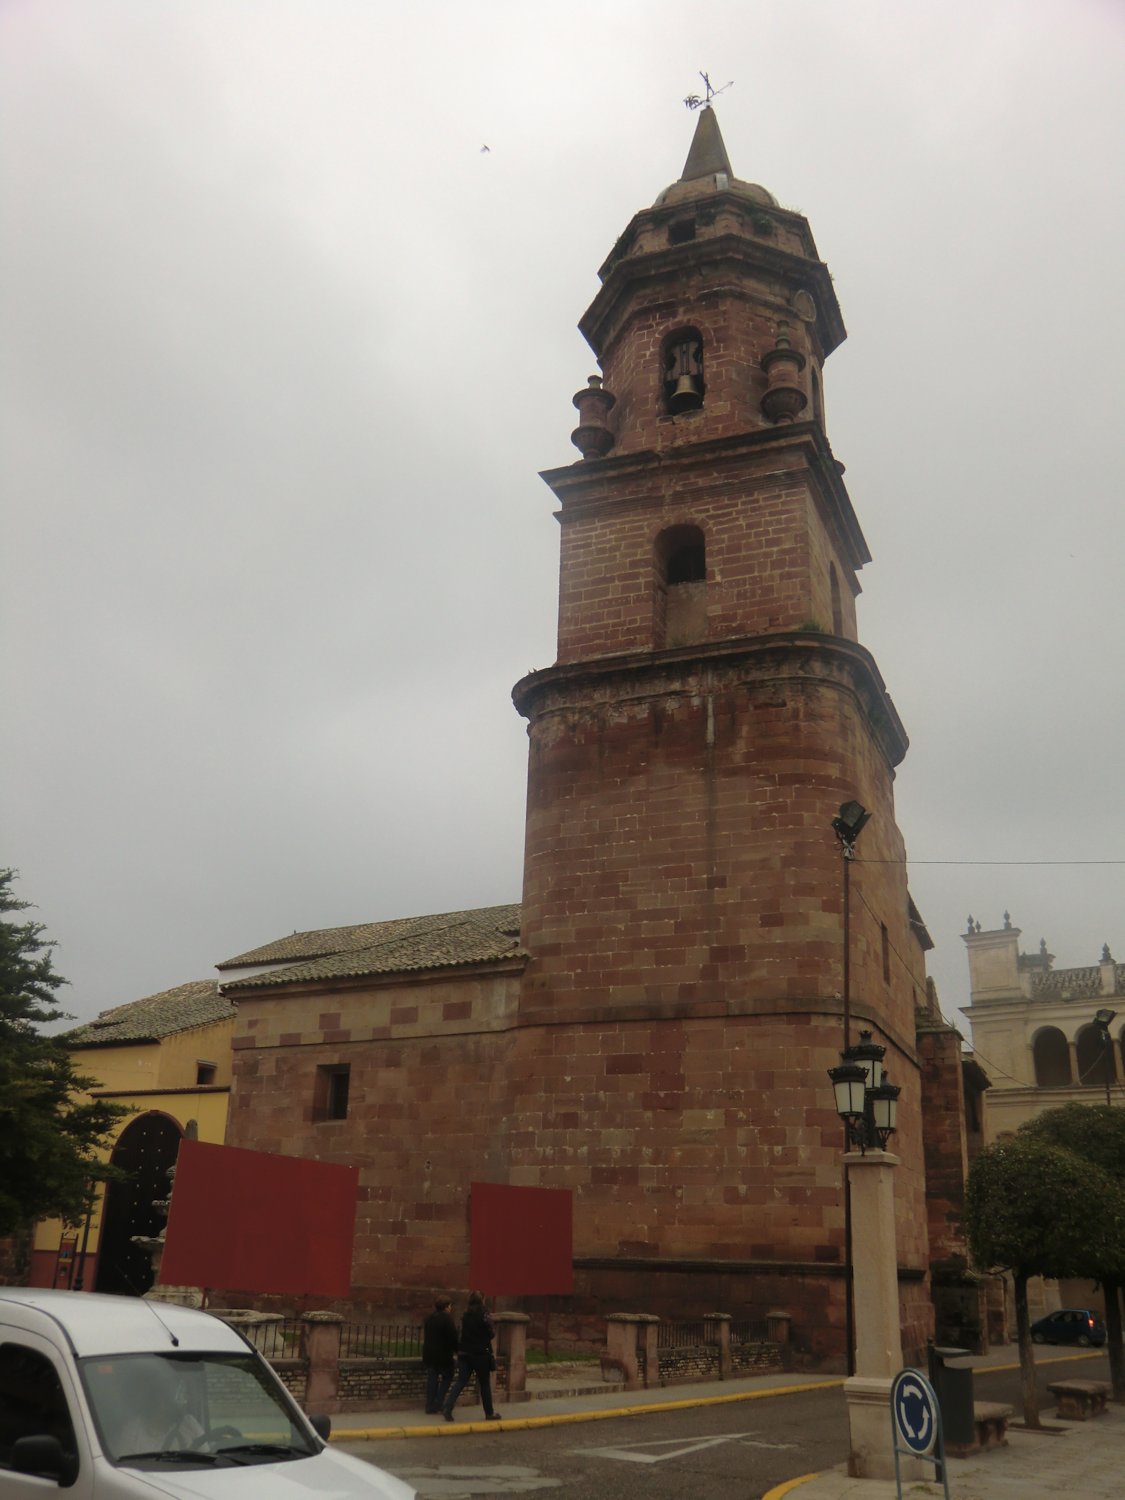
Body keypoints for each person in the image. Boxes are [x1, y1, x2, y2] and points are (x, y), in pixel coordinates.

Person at [441, 1289, 499, 1421]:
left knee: (460, 1381)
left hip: (465, 1353)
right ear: (482, 1300)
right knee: (484, 1384)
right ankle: (489, 1413)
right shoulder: (484, 1313)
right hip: (480, 1354)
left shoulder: (466, 1314)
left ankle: (447, 1407)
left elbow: (461, 1333)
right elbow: (492, 1332)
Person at [422, 1295, 459, 1414]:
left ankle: (429, 1404)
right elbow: (453, 1338)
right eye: (450, 1306)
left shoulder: (430, 1318)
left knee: (432, 1378)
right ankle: (438, 1401)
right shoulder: (447, 1319)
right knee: (447, 1376)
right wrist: (458, 1350)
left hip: (429, 1353)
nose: (450, 1308)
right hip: (443, 1355)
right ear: (446, 1307)